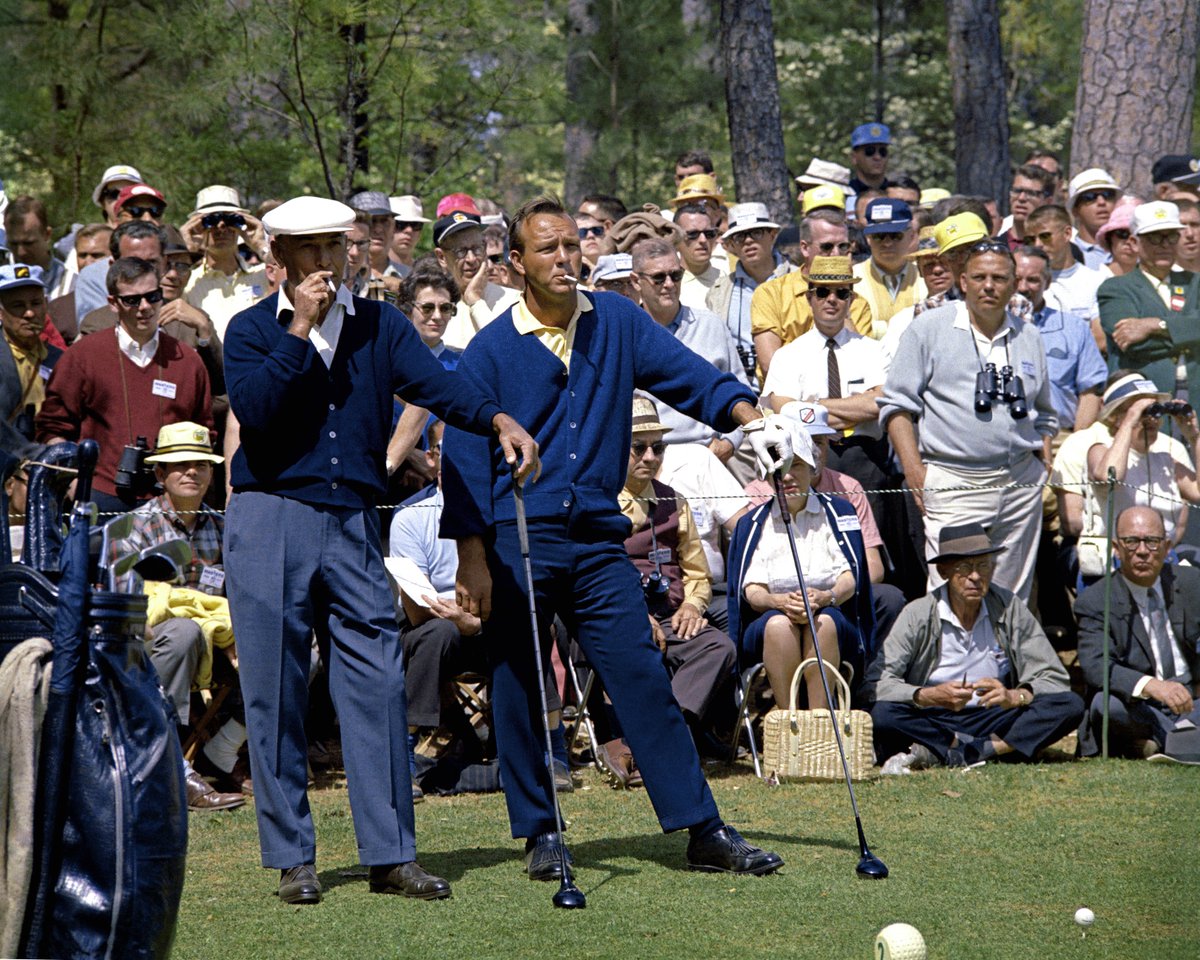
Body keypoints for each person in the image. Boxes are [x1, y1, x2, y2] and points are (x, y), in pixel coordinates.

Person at [441, 194, 789, 880]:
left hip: (599, 539)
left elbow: (690, 377)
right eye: (548, 249)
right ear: (516, 263)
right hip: (518, 537)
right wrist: (472, 556)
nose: (565, 259)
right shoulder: (490, 349)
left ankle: (702, 828)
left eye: (572, 245)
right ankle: (540, 831)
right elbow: (459, 455)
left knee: (641, 675)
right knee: (517, 681)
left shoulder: (619, 321)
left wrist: (753, 419)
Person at [221, 195, 537, 905]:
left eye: (335, 248)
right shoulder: (247, 330)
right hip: (271, 516)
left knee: (379, 681)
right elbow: (261, 414)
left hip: (356, 519)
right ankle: (292, 858)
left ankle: (391, 853)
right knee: (274, 686)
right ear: (278, 261)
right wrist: (299, 328)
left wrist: (494, 418)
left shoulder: (381, 325)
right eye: (310, 252)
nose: (327, 264)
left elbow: (436, 386)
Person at [881, 240, 1057, 601]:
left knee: (1012, 594)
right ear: (963, 281)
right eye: (979, 277)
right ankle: (947, 660)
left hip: (1019, 482)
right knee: (954, 591)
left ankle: (1003, 659)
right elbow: (896, 406)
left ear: (1013, 284)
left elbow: (1045, 413)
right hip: (953, 479)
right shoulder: (928, 328)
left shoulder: (1030, 336)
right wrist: (915, 472)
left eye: (999, 278)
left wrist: (1042, 460)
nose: (989, 286)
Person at [108, 421, 248, 810]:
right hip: (148, 643)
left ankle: (224, 748)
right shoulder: (133, 527)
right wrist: (210, 624)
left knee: (295, 641)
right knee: (185, 632)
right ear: (159, 474)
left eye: (201, 465)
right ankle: (168, 765)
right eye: (180, 464)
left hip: (218, 640)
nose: (192, 472)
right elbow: (128, 605)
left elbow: (240, 593)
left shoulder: (222, 527)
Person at [864, 522, 1082, 769]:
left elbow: (1053, 677)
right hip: (934, 717)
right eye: (965, 568)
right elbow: (876, 683)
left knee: (1069, 704)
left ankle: (977, 750)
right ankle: (968, 747)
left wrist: (1014, 696)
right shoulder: (918, 614)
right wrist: (928, 696)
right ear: (944, 571)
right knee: (883, 714)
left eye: (983, 566)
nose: (976, 577)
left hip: (991, 715)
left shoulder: (1008, 607)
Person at [37, 256, 213, 514]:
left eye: (152, 296)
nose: (144, 307)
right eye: (132, 300)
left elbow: (205, 430)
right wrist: (73, 483)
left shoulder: (187, 360)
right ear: (113, 303)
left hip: (170, 501)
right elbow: (52, 426)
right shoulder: (82, 355)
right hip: (101, 496)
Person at [618, 398, 738, 753]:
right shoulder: (599, 502)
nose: (651, 457)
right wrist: (636, 616)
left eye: (658, 447)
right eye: (639, 448)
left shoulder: (677, 501)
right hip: (619, 618)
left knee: (719, 646)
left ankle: (668, 731)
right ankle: (669, 738)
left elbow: (698, 574)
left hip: (671, 615)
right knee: (636, 649)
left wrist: (692, 607)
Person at [1075, 506, 1200, 762]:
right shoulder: (1096, 600)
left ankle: (1162, 742)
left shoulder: (1191, 582)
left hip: (1191, 699)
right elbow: (1096, 665)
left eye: (1152, 542)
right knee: (1105, 706)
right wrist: (1152, 686)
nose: (1142, 551)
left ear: (1166, 548)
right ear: (1116, 548)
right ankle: (1183, 741)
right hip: (1139, 703)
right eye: (1131, 541)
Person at [629, 238, 750, 468]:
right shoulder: (627, 334)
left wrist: (729, 443)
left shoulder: (712, 326)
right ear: (636, 281)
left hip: (709, 454)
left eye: (676, 275)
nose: (669, 284)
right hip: (646, 461)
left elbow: (740, 391)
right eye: (658, 278)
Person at [1098, 201, 1200, 405]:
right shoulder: (1116, 288)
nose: (1164, 245)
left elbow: (1146, 335)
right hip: (1146, 400)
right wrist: (1190, 333)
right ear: (1135, 243)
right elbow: (1133, 344)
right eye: (1154, 237)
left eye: (1171, 236)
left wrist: (1155, 325)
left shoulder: (1195, 283)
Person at [751, 209, 873, 377]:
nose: (836, 254)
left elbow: (862, 366)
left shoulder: (857, 303)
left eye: (843, 246)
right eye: (827, 247)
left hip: (844, 398)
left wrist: (843, 310)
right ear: (805, 248)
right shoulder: (771, 294)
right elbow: (770, 364)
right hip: (785, 398)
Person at [1015, 246, 1107, 430]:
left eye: (1032, 280)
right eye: (1016, 279)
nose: (1022, 287)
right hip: (1004, 439)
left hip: (1059, 437)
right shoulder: (989, 325)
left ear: (1047, 282)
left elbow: (1090, 392)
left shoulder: (1074, 329)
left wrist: (1076, 446)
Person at [707, 202, 793, 381]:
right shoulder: (719, 292)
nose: (748, 241)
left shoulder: (799, 280)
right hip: (741, 395)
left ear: (772, 235)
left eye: (756, 233)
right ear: (730, 245)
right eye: (739, 236)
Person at [182, 186, 269, 339]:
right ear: (198, 227)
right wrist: (186, 250)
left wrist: (261, 245)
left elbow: (291, 273)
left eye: (230, 220)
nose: (221, 227)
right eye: (211, 221)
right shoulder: (187, 282)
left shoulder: (264, 275)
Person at [434, 210, 520, 350]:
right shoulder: (433, 309)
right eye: (460, 251)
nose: (471, 259)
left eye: (477, 249)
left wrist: (475, 300)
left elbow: (507, 354)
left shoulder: (514, 302)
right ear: (441, 257)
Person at [0, 264, 62, 458]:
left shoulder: (59, 359)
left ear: (45, 305)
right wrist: (33, 455)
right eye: (18, 306)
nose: (29, 313)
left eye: (35, 303)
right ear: (1, 312)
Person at [1024, 204, 1104, 328]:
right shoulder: (1026, 285)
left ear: (1067, 234)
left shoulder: (1096, 282)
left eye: (1045, 236)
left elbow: (1100, 339)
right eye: (1031, 239)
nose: (1037, 244)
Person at [853, 198, 925, 335]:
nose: (887, 243)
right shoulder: (852, 280)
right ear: (868, 238)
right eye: (879, 236)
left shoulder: (925, 277)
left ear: (911, 236)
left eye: (895, 236)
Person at [3, 196, 68, 298]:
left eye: (28, 243)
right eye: (14, 244)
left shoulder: (70, 282)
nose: (21, 252)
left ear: (47, 234)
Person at [349, 190, 409, 297]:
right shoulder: (339, 276)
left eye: (384, 221)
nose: (378, 229)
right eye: (372, 221)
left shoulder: (408, 276)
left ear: (394, 227)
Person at [1067, 168, 1121, 270]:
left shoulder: (1133, 250)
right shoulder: (1066, 253)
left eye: (1107, 195)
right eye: (1090, 197)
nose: (1101, 202)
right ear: (1075, 210)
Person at [675, 203, 722, 310]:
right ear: (676, 239)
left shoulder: (728, 281)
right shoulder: (666, 285)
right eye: (693, 234)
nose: (703, 240)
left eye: (709, 233)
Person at [999, 165, 1056, 250]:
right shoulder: (995, 248)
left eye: (1031, 193)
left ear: (1048, 201)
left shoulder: (1059, 250)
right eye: (1017, 191)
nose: (1021, 198)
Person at [1094, 197, 1141, 279]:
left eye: (1136, 234)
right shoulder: (1093, 280)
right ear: (1109, 238)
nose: (1129, 241)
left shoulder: (1153, 281)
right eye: (1122, 233)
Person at [848, 123, 890, 196]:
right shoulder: (846, 193)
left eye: (882, 151)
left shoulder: (896, 193)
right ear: (854, 157)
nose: (877, 157)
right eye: (870, 151)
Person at [389, 195, 429, 270]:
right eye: (401, 224)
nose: (409, 230)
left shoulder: (425, 274)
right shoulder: (367, 271)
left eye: (415, 225)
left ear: (420, 233)